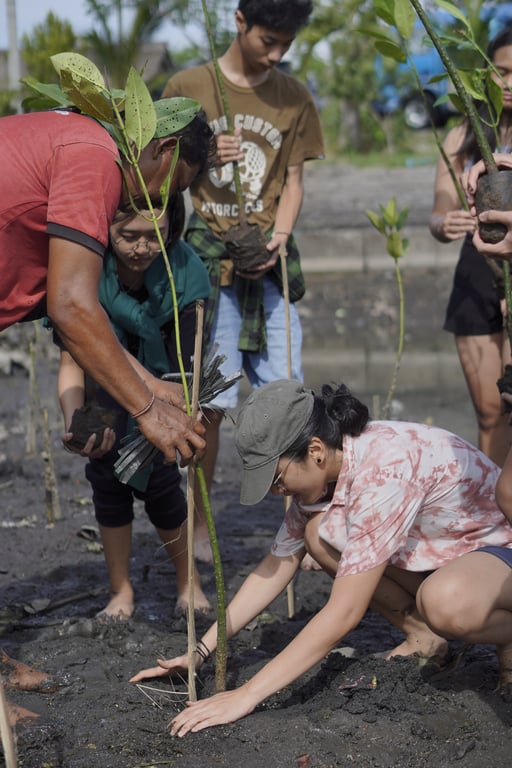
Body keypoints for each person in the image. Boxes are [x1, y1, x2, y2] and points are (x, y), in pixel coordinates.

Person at [131, 379, 512, 736]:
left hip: (497, 553)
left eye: (277, 480)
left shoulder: (386, 470)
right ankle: (426, 637)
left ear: (315, 451)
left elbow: (343, 613)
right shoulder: (328, 472)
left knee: (445, 603)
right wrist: (201, 651)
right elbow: (273, 569)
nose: (277, 491)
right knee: (319, 534)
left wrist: (245, 695)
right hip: (444, 553)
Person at [0, 97, 216, 726]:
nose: (157, 204)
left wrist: (151, 384)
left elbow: (67, 313)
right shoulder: (95, 157)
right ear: (165, 152)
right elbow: (73, 306)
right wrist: (149, 405)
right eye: (174, 185)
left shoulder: (79, 143)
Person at [162, 0, 324, 561]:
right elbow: (160, 177)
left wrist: (279, 236)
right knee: (209, 401)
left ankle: (300, 528)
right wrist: (204, 156)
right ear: (238, 21)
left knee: (288, 396)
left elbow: (295, 181)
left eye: (285, 43)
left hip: (269, 266)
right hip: (211, 266)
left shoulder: (295, 96)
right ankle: (200, 527)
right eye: (267, 41)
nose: (275, 54)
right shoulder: (187, 86)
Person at [55, 193, 211, 620]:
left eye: (153, 237)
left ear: (170, 231)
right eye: (128, 236)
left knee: (162, 485)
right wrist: (74, 422)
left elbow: (190, 362)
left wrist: (182, 406)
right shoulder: (87, 270)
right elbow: (71, 360)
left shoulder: (184, 272)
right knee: (107, 484)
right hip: (102, 390)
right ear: (106, 229)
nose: (141, 248)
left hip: (167, 389)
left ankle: (188, 584)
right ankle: (120, 592)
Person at [429, 25, 512, 466]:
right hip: (478, 271)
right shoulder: (465, 134)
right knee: (490, 410)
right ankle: (497, 511)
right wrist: (445, 222)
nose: (510, 82)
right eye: (501, 72)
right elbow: (439, 207)